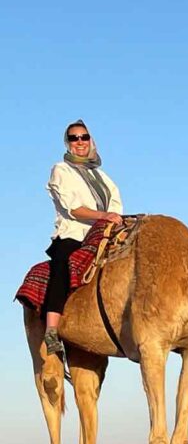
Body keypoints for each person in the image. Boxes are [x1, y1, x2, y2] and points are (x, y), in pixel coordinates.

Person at [42, 120, 124, 355]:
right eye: (74, 138)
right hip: (74, 233)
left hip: (104, 234)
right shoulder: (61, 169)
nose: (80, 142)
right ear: (68, 143)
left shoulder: (103, 177)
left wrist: (113, 219)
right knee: (63, 265)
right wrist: (103, 215)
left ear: (90, 140)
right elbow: (73, 208)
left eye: (84, 137)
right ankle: (51, 330)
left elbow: (116, 206)